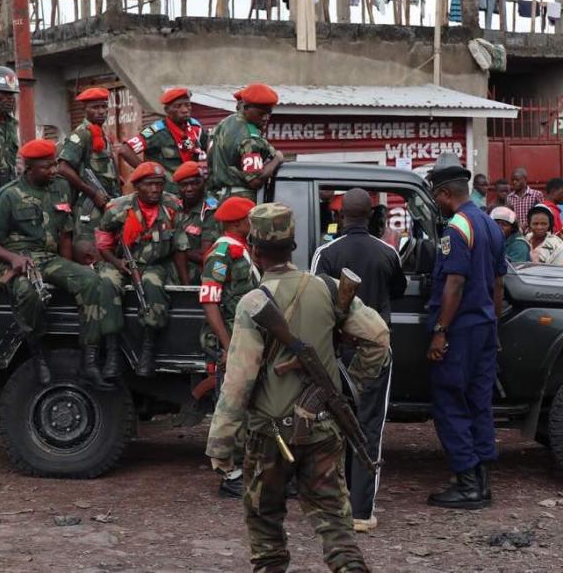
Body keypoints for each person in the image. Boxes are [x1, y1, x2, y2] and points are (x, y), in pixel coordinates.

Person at [206, 202, 389, 573]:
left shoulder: (253, 302)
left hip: (269, 436)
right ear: (293, 245)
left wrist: (221, 444)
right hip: (323, 428)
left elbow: (238, 382)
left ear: (254, 249)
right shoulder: (327, 287)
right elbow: (379, 338)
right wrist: (353, 383)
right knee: (337, 528)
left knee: (266, 529)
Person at [0, 139, 123, 389]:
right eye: (46, 167)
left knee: (91, 281)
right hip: (19, 260)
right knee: (28, 294)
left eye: (53, 165)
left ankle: (89, 361)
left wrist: (69, 272)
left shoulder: (60, 187)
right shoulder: (9, 195)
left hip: (51, 259)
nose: (53, 170)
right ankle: (38, 353)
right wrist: (14, 259)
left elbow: (66, 233)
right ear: (29, 169)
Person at [310, 188, 405, 532]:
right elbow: (397, 290)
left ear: (340, 215)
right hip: (376, 350)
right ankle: (361, 513)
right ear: (371, 216)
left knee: (331, 428)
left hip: (337, 353)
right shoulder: (388, 252)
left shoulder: (326, 252)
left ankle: (332, 509)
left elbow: (316, 298)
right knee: (369, 428)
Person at [425, 153, 506, 510]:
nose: (436, 203)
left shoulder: (457, 227)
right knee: (479, 404)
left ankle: (467, 484)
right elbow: (498, 282)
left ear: (445, 194)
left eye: (435, 196)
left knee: (449, 402)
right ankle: (483, 483)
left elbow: (453, 283)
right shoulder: (488, 223)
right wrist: (494, 324)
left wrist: (440, 331)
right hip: (485, 327)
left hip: (459, 331)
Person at [95, 162, 189, 376]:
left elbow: (180, 247)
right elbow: (103, 244)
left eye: (159, 184)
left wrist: (185, 285)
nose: (155, 189)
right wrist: (118, 263)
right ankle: (112, 353)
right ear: (137, 186)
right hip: (118, 261)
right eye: (149, 185)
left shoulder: (172, 206)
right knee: (107, 283)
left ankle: (148, 350)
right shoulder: (118, 208)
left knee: (153, 285)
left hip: (154, 264)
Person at [198, 196, 259, 498]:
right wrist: (227, 344)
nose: (255, 223)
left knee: (246, 408)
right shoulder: (222, 252)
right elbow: (209, 300)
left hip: (244, 339)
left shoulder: (242, 249)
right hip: (232, 342)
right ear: (237, 222)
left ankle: (246, 471)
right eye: (251, 218)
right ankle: (229, 475)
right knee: (231, 409)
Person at [57, 87, 121, 241]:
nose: (101, 111)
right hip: (89, 203)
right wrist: (93, 193)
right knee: (90, 246)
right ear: (84, 109)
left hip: (107, 198)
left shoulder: (100, 133)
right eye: (95, 107)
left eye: (104, 107)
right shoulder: (82, 134)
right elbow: (63, 167)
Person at [121, 87, 208, 194]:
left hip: (192, 191)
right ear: (167, 110)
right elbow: (125, 150)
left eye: (187, 105)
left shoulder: (196, 127)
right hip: (168, 192)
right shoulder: (156, 131)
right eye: (178, 106)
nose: (185, 110)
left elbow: (210, 148)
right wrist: (148, 173)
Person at [207, 83, 284, 203]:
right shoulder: (250, 138)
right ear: (246, 108)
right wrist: (277, 159)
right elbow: (255, 181)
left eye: (269, 113)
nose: (266, 118)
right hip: (239, 200)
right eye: (261, 114)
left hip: (216, 199)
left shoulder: (224, 123)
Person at [172, 161, 220, 284]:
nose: (189, 189)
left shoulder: (210, 208)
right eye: (184, 185)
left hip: (203, 267)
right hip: (176, 263)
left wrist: (176, 251)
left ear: (203, 183)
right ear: (178, 187)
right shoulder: (173, 206)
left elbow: (206, 255)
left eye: (195, 183)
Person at [506, 167, 543, 233]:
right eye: (512, 180)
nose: (514, 182)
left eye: (517, 180)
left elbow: (542, 213)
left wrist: (527, 224)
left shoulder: (536, 195)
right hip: (516, 233)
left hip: (533, 232)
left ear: (525, 180)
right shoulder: (509, 197)